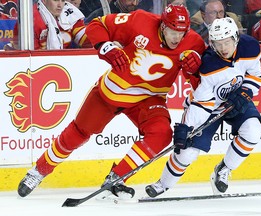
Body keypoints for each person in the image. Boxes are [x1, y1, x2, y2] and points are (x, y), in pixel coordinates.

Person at [17, 4, 206, 198]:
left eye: (182, 32)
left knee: (161, 133)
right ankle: (39, 171)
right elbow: (96, 26)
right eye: (173, 31)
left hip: (149, 98)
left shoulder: (194, 43)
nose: (177, 37)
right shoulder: (139, 21)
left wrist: (194, 71)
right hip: (113, 91)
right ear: (163, 26)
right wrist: (106, 47)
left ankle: (117, 177)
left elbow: (202, 85)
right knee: (79, 132)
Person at [145, 17, 261, 198]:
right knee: (187, 153)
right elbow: (202, 103)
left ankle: (223, 170)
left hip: (237, 99)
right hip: (211, 107)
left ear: (235, 38)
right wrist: (187, 127)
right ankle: (163, 184)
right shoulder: (209, 65)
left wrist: (246, 92)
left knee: (253, 130)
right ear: (212, 43)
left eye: (227, 42)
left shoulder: (250, 47)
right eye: (218, 44)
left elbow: (257, 73)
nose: (223, 48)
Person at [7, 0, 91, 50]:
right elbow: (32, 58)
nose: (60, 5)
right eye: (55, 0)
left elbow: (87, 41)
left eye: (62, 0)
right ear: (44, 0)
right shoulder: (31, 19)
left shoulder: (70, 13)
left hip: (63, 64)